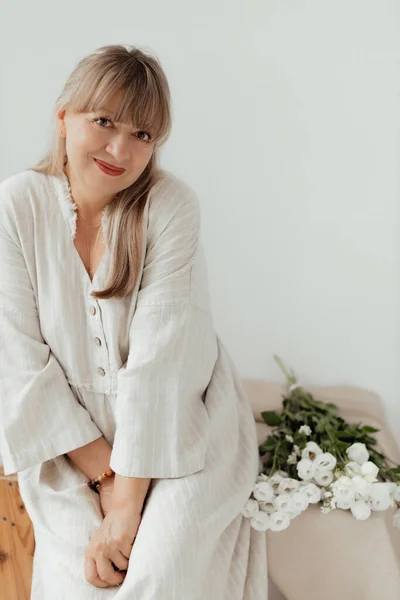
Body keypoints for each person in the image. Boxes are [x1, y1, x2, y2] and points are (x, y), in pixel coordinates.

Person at [0, 44, 268, 599]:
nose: (120, 149)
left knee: (160, 577)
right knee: (84, 586)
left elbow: (163, 363)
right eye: (104, 121)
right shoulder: (15, 207)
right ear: (63, 117)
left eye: (143, 135)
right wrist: (105, 476)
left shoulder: (169, 205)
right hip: (66, 441)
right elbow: (19, 362)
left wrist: (127, 501)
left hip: (182, 429)